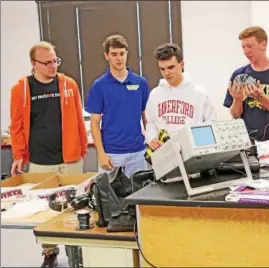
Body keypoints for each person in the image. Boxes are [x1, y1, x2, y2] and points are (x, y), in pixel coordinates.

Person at [9, 41, 88, 267]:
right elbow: (16, 126)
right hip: (40, 161)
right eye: (47, 62)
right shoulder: (21, 89)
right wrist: (18, 155)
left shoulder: (69, 85)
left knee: (76, 206)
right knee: (45, 210)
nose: (53, 66)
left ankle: (77, 252)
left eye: (55, 61)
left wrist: (81, 150)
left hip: (70, 159)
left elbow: (79, 121)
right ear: (34, 64)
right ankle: (49, 252)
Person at [85, 34, 150, 176]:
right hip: (111, 153)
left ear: (127, 54)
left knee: (139, 195)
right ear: (106, 56)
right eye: (114, 54)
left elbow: (146, 117)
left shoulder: (140, 83)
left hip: (138, 152)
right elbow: (95, 123)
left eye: (122, 54)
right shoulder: (99, 85)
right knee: (111, 196)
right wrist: (101, 154)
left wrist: (150, 142)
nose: (119, 58)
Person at [223, 26, 269, 141]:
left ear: (263, 44)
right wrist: (237, 100)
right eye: (243, 47)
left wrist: (261, 97)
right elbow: (235, 115)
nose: (246, 51)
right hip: (246, 142)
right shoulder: (238, 75)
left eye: (250, 46)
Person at [145, 43, 216, 150]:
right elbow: (150, 123)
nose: (166, 73)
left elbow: (211, 125)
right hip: (164, 154)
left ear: (182, 64)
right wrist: (151, 139)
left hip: (193, 154)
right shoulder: (155, 94)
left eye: (171, 67)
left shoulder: (199, 94)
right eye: (162, 69)